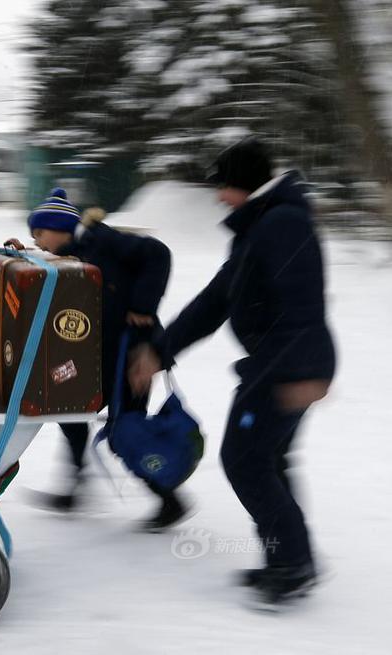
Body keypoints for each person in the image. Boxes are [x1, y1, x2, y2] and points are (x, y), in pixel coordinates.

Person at [129, 137, 336, 608]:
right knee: (268, 460)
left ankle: (292, 565)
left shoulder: (282, 224)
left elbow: (302, 304)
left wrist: (298, 373)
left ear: (245, 185)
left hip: (286, 365)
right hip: (281, 363)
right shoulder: (260, 228)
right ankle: (287, 558)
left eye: (224, 186)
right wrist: (160, 351)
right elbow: (215, 301)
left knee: (245, 461)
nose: (220, 197)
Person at [9, 188, 188, 531]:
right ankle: (76, 485)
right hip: (101, 354)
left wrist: (142, 306)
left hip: (134, 353)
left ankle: (169, 498)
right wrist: (25, 252)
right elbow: (56, 263)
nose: (38, 239)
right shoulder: (75, 249)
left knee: (126, 428)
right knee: (69, 408)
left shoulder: (103, 241)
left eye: (39, 232)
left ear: (60, 227)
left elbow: (158, 254)